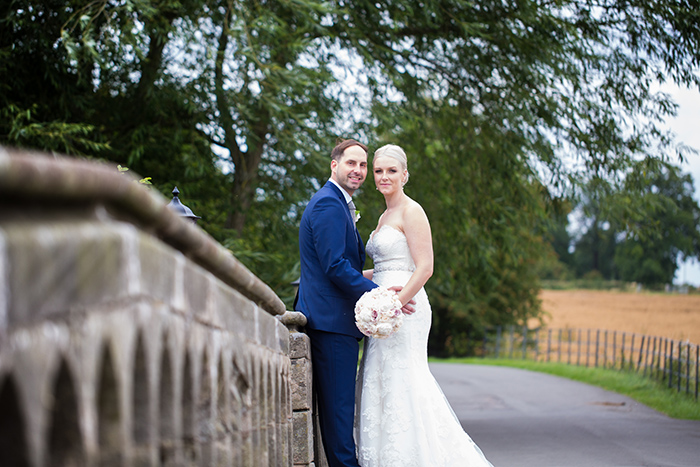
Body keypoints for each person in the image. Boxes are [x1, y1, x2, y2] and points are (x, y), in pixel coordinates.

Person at [354, 144, 494, 467]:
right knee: (379, 380)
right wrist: (350, 280)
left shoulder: (412, 211)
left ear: (405, 175)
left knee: (405, 380)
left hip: (406, 311)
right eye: (379, 171)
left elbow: (425, 266)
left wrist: (394, 303)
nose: (384, 176)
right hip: (383, 309)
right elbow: (386, 267)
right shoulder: (384, 215)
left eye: (392, 171)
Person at [295, 139, 413, 467]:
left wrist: (379, 277)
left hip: (334, 321)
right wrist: (383, 296)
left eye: (363, 165)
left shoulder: (337, 202)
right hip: (331, 323)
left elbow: (335, 264)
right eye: (352, 163)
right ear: (334, 164)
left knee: (339, 413)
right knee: (339, 415)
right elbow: (334, 267)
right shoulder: (329, 205)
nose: (359, 171)